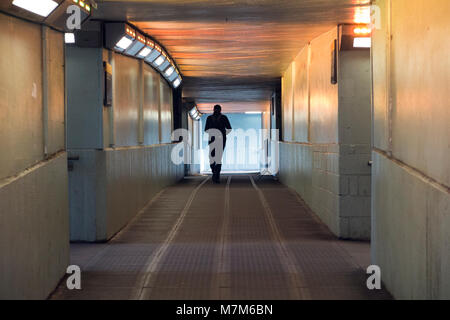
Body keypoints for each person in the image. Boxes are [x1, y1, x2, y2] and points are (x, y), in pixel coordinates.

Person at [204, 105, 232, 183]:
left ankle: (216, 174)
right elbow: (229, 129)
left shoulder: (211, 118)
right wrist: (223, 133)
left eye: (217, 109)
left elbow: (206, 130)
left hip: (215, 139)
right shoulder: (222, 117)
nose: (216, 111)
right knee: (214, 157)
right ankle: (215, 172)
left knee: (214, 157)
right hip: (218, 139)